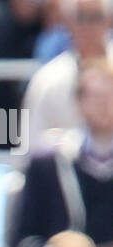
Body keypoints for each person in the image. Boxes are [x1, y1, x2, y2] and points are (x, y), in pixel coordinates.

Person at [11, 57, 113, 247]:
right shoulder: (49, 163)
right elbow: (24, 242)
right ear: (79, 101)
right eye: (96, 96)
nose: (105, 105)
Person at [24, 0, 113, 148]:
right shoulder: (47, 81)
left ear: (109, 20)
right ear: (68, 22)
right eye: (81, 17)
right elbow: (32, 146)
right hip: (64, 168)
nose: (88, 25)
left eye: (96, 17)